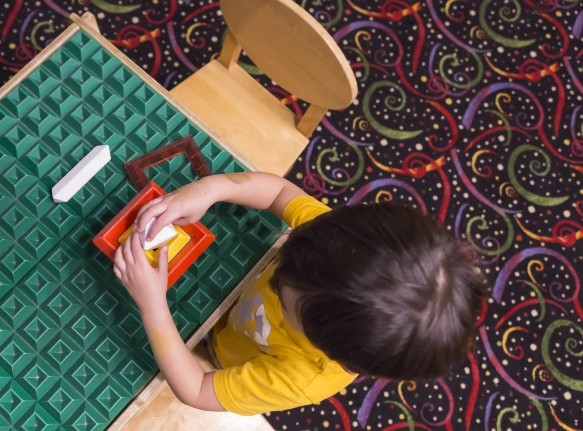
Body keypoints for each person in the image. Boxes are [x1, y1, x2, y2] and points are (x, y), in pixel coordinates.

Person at [113, 172, 486, 415]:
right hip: (228, 300)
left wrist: (152, 305)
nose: (277, 280)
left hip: (215, 355)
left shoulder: (301, 378)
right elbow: (278, 191)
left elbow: (195, 389)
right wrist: (209, 190)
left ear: (324, 345)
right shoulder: (338, 248)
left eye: (286, 299)